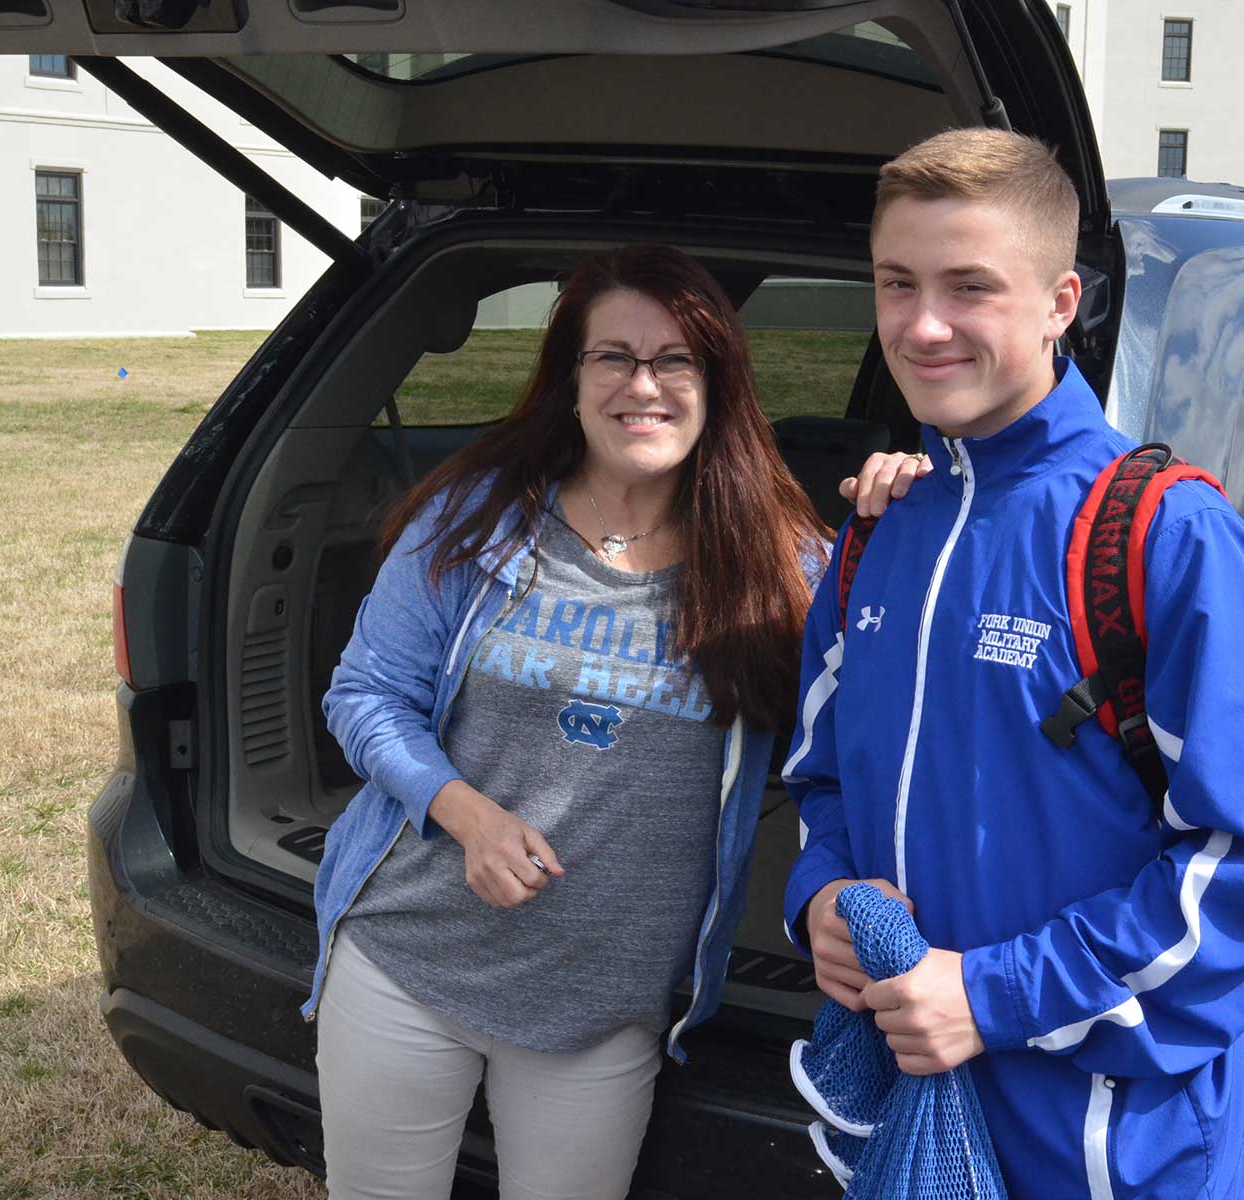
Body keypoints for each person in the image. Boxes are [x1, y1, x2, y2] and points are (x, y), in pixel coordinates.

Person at [783, 129, 1244, 1199]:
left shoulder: (1164, 534)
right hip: (916, 1127)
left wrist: (990, 995)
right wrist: (820, 897)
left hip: (1115, 1154)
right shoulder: (878, 529)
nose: (924, 324)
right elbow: (822, 779)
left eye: (970, 287)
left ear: (1059, 302)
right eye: (896, 283)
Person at [303, 243, 927, 1200]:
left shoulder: (781, 563)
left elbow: (883, 702)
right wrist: (464, 814)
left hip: (603, 1007)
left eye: (675, 360)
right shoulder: (474, 519)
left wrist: (902, 525)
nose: (645, 385)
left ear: (717, 383)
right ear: (572, 378)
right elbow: (365, 695)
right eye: (614, 358)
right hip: (405, 963)